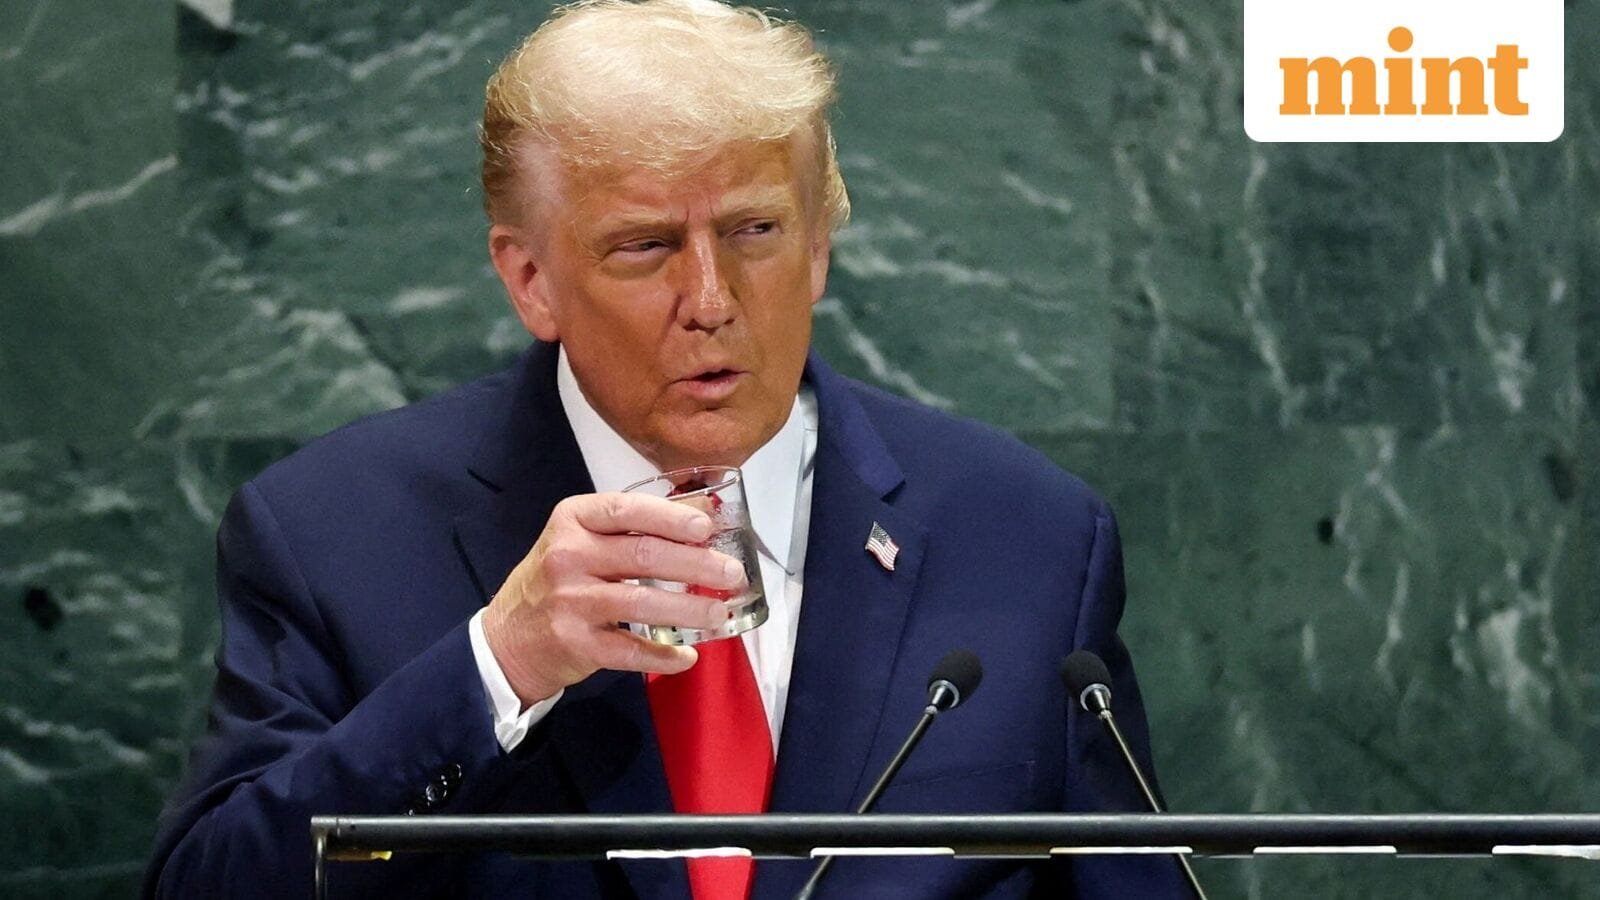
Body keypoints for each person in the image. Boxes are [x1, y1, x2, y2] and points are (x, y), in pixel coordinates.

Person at [144, 1, 1188, 897]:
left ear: (820, 242)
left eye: (755, 233)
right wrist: (498, 666)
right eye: (645, 247)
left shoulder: (1031, 541)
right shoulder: (328, 533)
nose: (711, 302)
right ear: (530, 281)